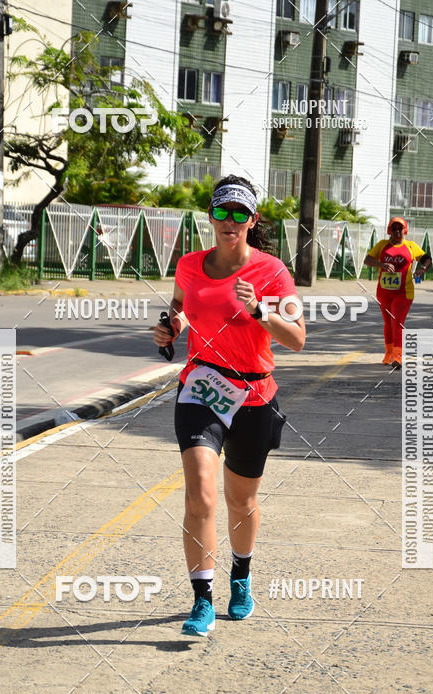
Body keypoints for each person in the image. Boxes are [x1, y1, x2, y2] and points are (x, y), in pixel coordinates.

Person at [153, 175, 305, 636]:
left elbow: (297, 339)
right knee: (200, 492)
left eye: (240, 214)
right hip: (200, 389)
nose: (230, 222)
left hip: (255, 396)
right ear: (211, 217)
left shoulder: (273, 272)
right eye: (222, 212)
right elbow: (180, 305)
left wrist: (261, 311)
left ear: (252, 220)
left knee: (241, 499)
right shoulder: (189, 265)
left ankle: (241, 577)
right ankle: (201, 600)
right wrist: (170, 327)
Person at [364, 217, 432, 369]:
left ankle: (398, 357)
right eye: (394, 228)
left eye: (400, 228)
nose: (397, 231)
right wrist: (381, 264)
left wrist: (423, 269)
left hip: (404, 292)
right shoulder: (382, 245)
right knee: (388, 323)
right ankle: (388, 354)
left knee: (397, 321)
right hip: (383, 292)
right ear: (389, 230)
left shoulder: (410, 246)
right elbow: (367, 260)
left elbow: (427, 259)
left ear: (405, 230)